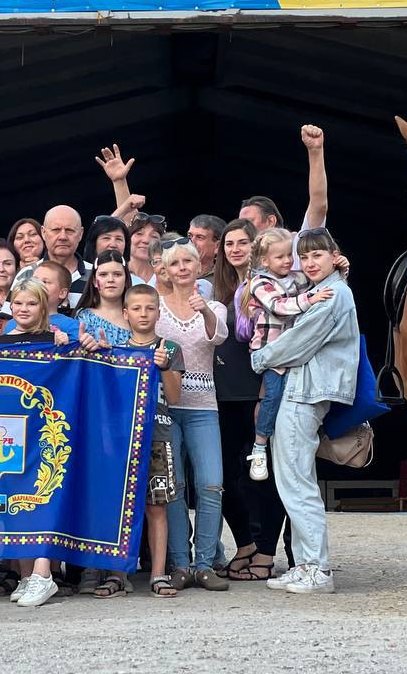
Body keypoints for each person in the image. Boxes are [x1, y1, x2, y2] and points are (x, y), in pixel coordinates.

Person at [251, 229, 359, 595]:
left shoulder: (333, 295)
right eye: (306, 257)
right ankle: (305, 564)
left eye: (318, 255)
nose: (310, 263)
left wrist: (260, 358)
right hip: (303, 388)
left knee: (297, 480)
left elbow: (299, 342)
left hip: (305, 391)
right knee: (291, 479)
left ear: (334, 255)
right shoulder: (325, 290)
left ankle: (317, 567)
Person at [211, 219, 289, 583]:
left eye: (243, 242)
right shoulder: (214, 287)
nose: (236, 249)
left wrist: (264, 395)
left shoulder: (271, 285)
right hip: (220, 396)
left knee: (261, 478)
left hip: (255, 392)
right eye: (229, 243)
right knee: (223, 477)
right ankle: (244, 544)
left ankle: (266, 552)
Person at [157, 238, 229, 592]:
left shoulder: (213, 304)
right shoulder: (155, 307)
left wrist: (204, 311)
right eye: (175, 263)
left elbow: (219, 337)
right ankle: (180, 564)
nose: (183, 267)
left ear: (199, 267)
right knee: (175, 487)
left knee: (211, 484)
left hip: (203, 407)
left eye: (188, 261)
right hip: (166, 407)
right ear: (166, 272)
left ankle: (205, 564)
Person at [108, 284, 184, 599]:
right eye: (136, 308)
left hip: (159, 435)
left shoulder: (171, 348)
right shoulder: (115, 350)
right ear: (125, 313)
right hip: (123, 440)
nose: (143, 314)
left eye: (149, 308)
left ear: (158, 311)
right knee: (120, 507)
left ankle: (158, 574)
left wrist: (164, 366)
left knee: (157, 508)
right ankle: (117, 575)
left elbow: (177, 395)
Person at [245, 229, 334, 481]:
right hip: (271, 352)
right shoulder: (260, 283)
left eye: (289, 256)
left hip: (295, 351)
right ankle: (259, 445)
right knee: (272, 395)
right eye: (280, 257)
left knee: (296, 400)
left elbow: (322, 281)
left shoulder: (296, 277)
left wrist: (339, 268)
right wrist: (310, 299)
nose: (287, 261)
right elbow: (278, 306)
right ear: (265, 261)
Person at [0, 277, 63, 607]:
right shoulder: (1, 339)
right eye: (18, 303)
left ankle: (43, 573)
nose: (23, 309)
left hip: (43, 428)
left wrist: (65, 345)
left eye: (31, 303)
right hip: (9, 428)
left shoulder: (55, 338)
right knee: (14, 502)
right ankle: (25, 576)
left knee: (40, 497)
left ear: (43, 306)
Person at [74, 249, 132, 347]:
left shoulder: (136, 316)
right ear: (94, 281)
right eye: (103, 275)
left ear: (126, 280)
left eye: (117, 274)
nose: (110, 280)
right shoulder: (84, 317)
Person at [69, 215, 130, 302]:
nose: (113, 244)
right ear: (94, 243)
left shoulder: (135, 281)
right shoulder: (79, 273)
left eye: (119, 239)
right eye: (106, 238)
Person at [40, 206, 92, 307]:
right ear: (43, 232)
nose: (63, 237)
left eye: (69, 230)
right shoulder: (27, 275)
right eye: (56, 230)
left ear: (81, 234)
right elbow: (9, 321)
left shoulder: (96, 275)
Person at [127, 214, 166, 285]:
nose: (146, 240)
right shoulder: (116, 273)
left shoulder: (167, 276)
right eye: (139, 234)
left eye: (154, 236)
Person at [187, 214, 227, 280]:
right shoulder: (176, 273)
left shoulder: (225, 279)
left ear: (217, 246)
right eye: (190, 236)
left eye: (200, 237)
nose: (191, 242)